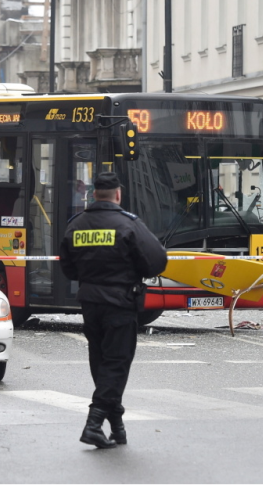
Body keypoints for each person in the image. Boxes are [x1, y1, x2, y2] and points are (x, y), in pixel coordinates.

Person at [59, 172, 168, 449]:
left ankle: (117, 427)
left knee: (101, 364)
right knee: (116, 365)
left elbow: (68, 268)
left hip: (90, 305)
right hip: (120, 304)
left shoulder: (76, 225)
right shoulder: (128, 224)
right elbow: (156, 262)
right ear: (118, 194)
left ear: (94, 194)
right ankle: (93, 424)